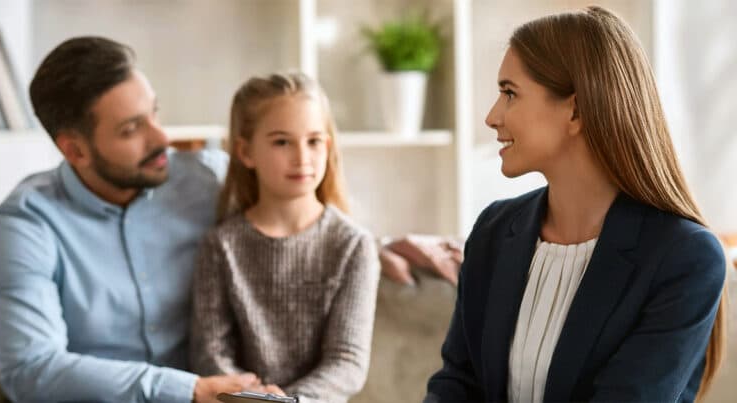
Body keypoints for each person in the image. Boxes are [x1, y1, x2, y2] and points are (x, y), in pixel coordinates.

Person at [425, 6, 727, 403]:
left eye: (509, 93)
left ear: (576, 109)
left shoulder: (685, 258)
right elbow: (457, 385)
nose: (492, 116)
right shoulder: (494, 231)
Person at [0, 37, 261, 402]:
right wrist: (185, 391)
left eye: (155, 113)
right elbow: (31, 370)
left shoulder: (212, 182)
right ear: (75, 149)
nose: (161, 137)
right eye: (131, 129)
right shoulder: (24, 224)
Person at [189, 72, 380, 403]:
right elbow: (210, 351)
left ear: (328, 146)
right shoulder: (221, 246)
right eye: (281, 142)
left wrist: (286, 402)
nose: (302, 157)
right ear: (246, 152)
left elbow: (347, 362)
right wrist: (251, 397)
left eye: (314, 141)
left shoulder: (352, 246)